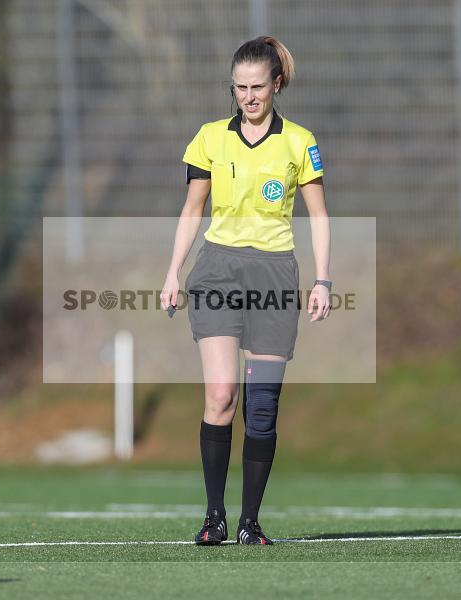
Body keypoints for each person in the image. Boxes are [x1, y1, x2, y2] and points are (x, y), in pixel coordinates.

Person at [160, 36, 331, 545]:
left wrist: (323, 278)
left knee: (262, 406)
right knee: (220, 395)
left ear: (277, 85)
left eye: (258, 87)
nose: (249, 97)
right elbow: (193, 209)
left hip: (276, 275)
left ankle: (249, 521)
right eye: (240, 88)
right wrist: (173, 271)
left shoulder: (299, 142)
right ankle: (214, 517)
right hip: (217, 270)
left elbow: (318, 215)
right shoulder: (210, 138)